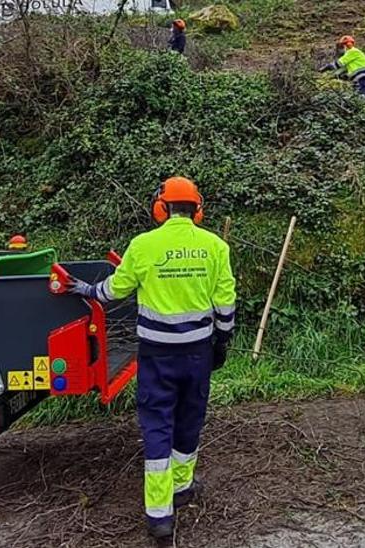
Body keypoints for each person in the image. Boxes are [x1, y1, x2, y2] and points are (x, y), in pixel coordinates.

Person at [66, 177, 237, 539]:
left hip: (157, 356)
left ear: (161, 207)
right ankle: (182, 487)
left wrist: (87, 290)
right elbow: (225, 304)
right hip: (197, 353)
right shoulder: (216, 247)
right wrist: (221, 344)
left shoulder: (143, 245)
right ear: (198, 210)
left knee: (158, 425)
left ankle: (160, 516)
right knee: (190, 418)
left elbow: (115, 289)